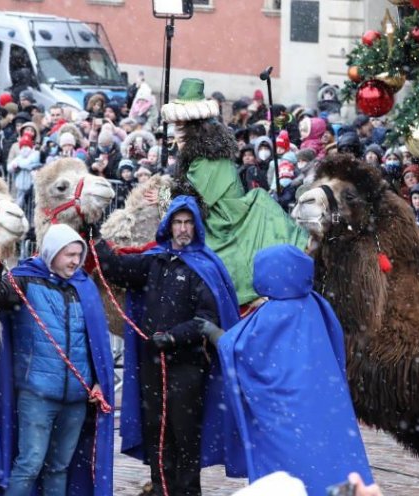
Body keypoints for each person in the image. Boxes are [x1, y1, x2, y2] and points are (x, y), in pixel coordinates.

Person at [93, 195, 244, 495]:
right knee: (157, 434)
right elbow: (117, 268)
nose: (183, 228)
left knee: (185, 437)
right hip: (152, 365)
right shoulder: (153, 260)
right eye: (178, 222)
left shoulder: (204, 267)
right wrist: (94, 236)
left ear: (196, 226)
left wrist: (174, 336)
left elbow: (206, 319)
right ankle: (162, 489)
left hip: (187, 367)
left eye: (188, 222)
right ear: (169, 225)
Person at [214, 244, 374, 494]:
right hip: (323, 408)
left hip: (284, 419)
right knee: (330, 461)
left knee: (289, 475)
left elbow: (239, 347)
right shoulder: (317, 306)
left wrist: (213, 333)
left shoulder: (274, 315)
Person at [0, 224, 114, 496]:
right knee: (30, 463)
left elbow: (96, 343)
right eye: (69, 255)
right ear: (52, 253)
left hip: (77, 398)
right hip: (37, 395)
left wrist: (99, 382)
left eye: (78, 254)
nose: (75, 261)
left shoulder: (83, 287)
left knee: (59, 467)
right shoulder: (25, 280)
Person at [162, 78, 308, 304]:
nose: (176, 134)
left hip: (224, 224)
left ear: (193, 128)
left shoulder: (208, 161)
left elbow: (193, 204)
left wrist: (162, 197)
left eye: (180, 128)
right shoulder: (200, 157)